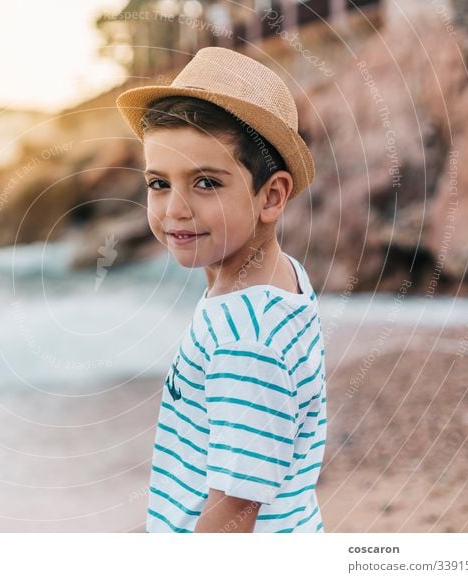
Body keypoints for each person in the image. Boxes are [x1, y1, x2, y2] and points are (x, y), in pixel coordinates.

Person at [115, 47, 327, 533]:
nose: (174, 210)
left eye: (206, 182)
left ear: (272, 195)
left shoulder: (244, 341)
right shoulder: (279, 279)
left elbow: (233, 510)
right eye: (158, 183)